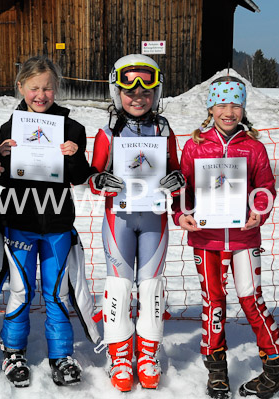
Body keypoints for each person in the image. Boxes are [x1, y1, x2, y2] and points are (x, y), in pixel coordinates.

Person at [174, 76, 279, 399]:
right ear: (210, 107)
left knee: (250, 299)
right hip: (206, 238)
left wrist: (259, 210)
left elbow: (266, 187)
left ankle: (277, 364)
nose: (229, 111)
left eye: (236, 104)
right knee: (214, 303)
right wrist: (181, 214)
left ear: (244, 107)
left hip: (243, 238)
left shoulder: (253, 147)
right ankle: (216, 370)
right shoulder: (196, 145)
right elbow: (183, 189)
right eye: (222, 104)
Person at [0, 55, 92, 388]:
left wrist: (74, 156)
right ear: (21, 87)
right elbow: (1, 180)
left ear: (56, 88)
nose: (41, 95)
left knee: (57, 291)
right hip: (19, 220)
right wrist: (0, 160)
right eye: (34, 88)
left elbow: (79, 177)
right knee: (20, 288)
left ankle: (61, 354)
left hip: (58, 223)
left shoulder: (73, 128)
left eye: (47, 88)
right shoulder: (9, 129)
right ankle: (13, 350)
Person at [87, 54, 185, 392]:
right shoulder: (107, 131)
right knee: (119, 284)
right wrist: (100, 182)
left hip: (154, 218)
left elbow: (178, 168)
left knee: (151, 285)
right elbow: (92, 174)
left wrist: (176, 180)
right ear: (117, 92)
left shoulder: (164, 128)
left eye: (146, 91)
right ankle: (119, 354)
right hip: (120, 218)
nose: (138, 96)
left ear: (156, 93)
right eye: (130, 91)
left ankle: (147, 353)